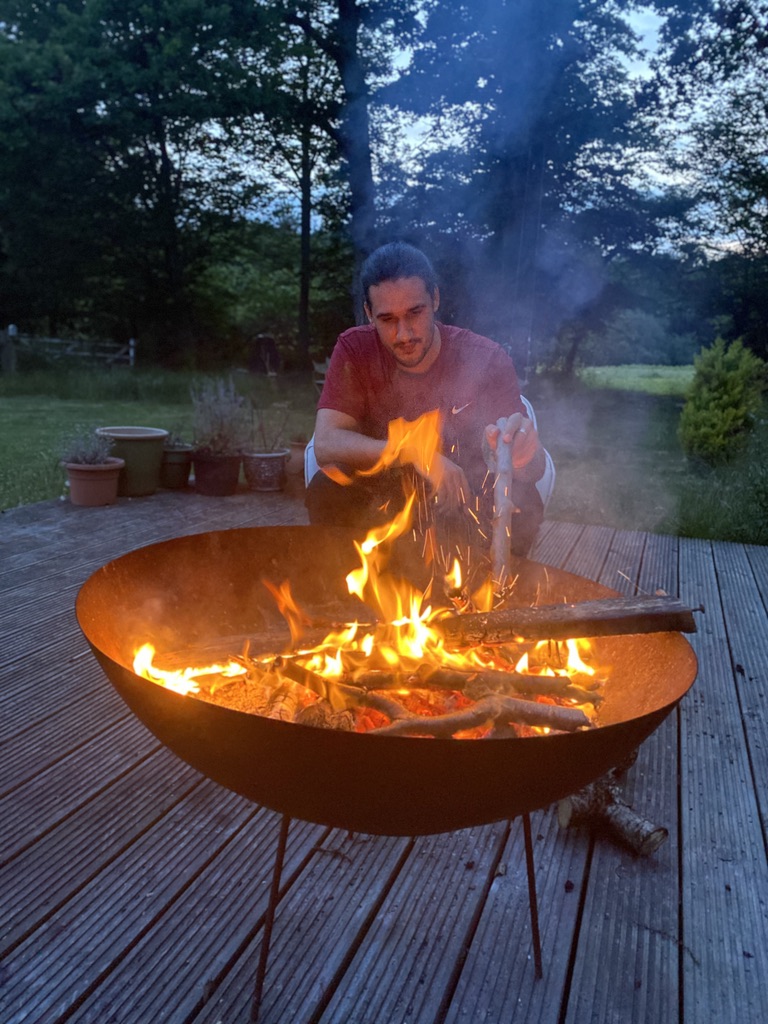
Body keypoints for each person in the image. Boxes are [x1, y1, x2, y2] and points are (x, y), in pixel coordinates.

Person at [305, 242, 546, 557]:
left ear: (434, 299)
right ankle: (350, 596)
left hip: (468, 504)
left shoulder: (485, 359)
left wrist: (524, 453)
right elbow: (326, 444)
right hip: (387, 502)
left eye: (414, 313)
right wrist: (414, 453)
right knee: (328, 489)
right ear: (368, 313)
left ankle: (491, 599)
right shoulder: (356, 350)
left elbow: (533, 471)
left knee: (525, 499)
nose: (403, 334)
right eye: (387, 319)